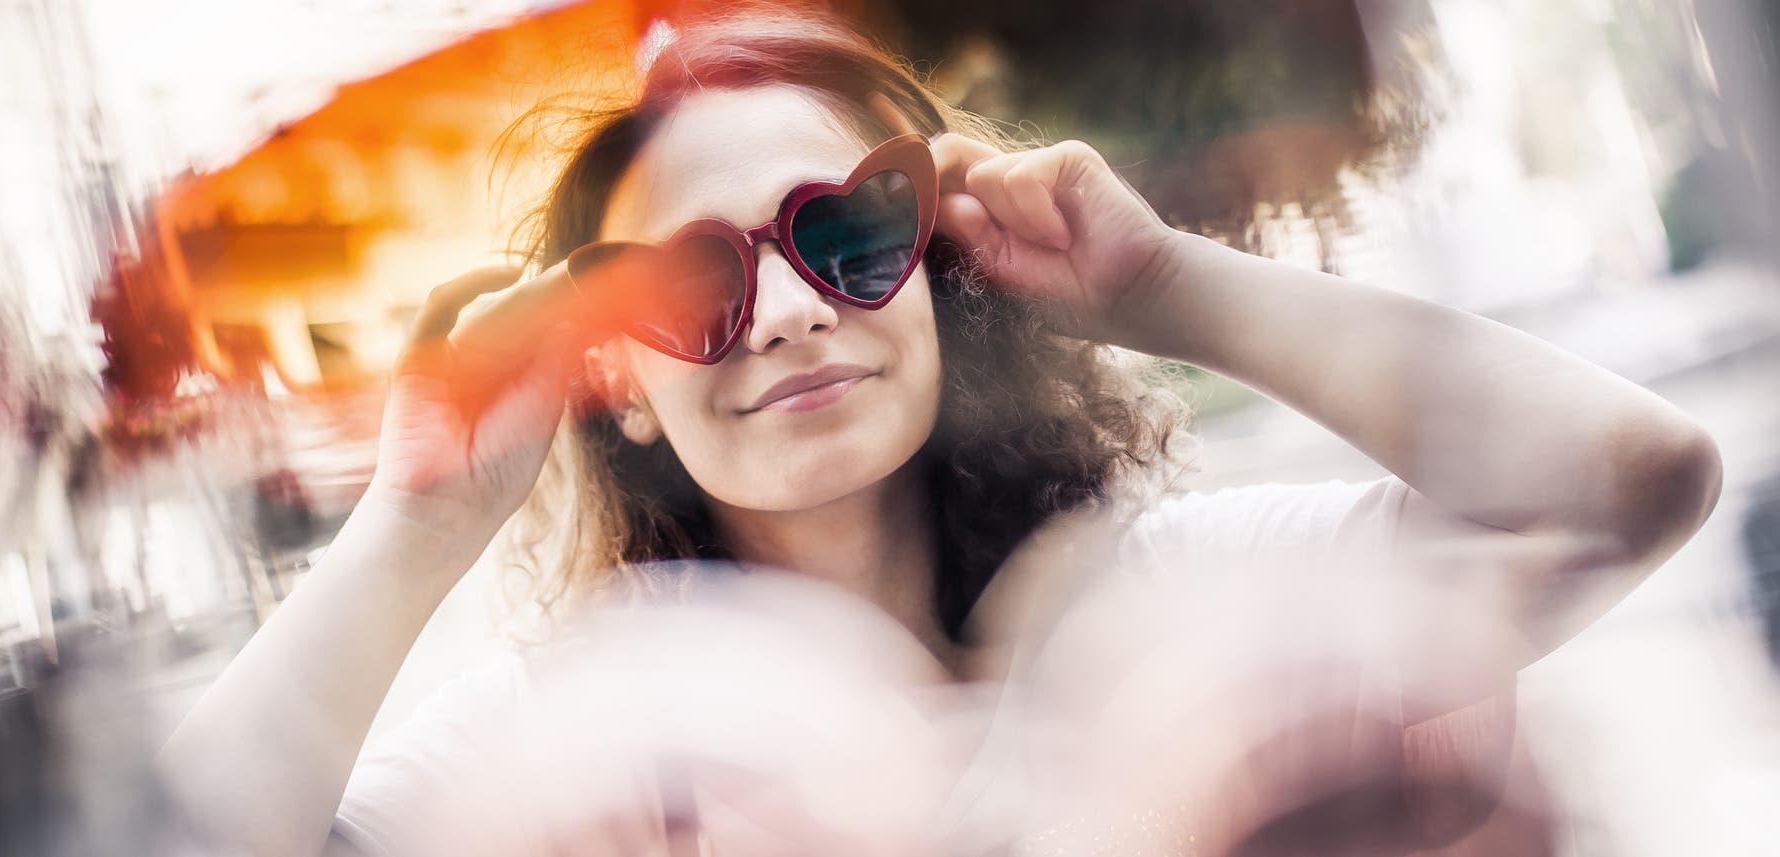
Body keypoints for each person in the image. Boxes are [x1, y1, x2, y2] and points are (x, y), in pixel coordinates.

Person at [158, 9, 1722, 857]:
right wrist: (418, 521)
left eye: (843, 230)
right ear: (613, 365)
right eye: (693, 278)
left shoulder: (1174, 618)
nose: (777, 313)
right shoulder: (568, 752)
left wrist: (1163, 285)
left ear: (938, 265)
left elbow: (1632, 483)